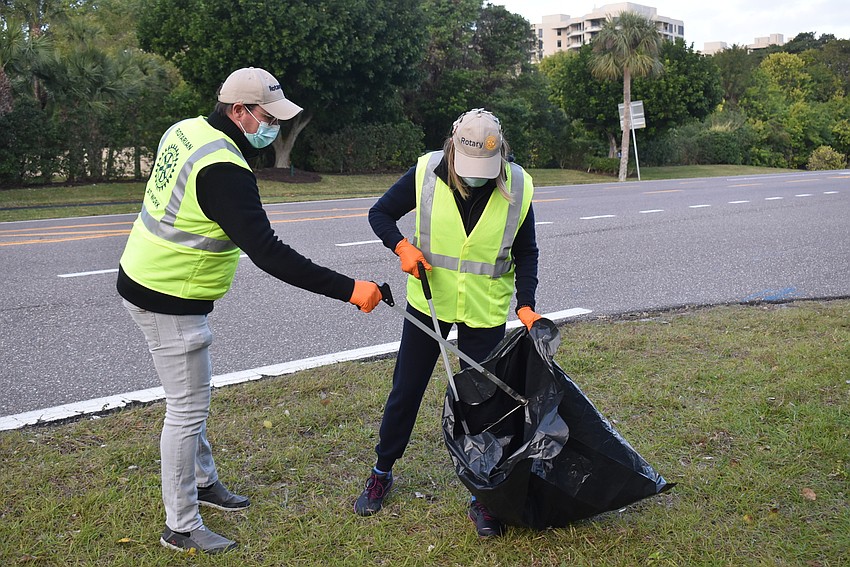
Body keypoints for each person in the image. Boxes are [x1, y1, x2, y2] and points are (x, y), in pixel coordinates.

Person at [117, 67, 382, 554]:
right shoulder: (225, 171)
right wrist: (350, 289)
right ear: (237, 111)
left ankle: (203, 482)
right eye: (266, 116)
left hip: (144, 275)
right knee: (187, 408)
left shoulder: (185, 130)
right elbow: (270, 253)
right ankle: (181, 524)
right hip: (168, 295)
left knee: (190, 395)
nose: (272, 126)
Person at [354, 108, 542, 537]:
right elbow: (379, 214)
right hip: (429, 303)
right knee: (406, 390)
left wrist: (526, 304)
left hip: (484, 311)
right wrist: (401, 246)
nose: (477, 176)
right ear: (452, 147)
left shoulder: (518, 184)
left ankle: (484, 495)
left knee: (483, 405)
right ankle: (382, 471)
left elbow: (526, 251)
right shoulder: (425, 171)